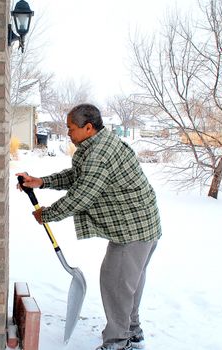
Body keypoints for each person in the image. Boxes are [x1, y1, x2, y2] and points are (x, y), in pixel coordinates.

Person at [16, 103, 161, 350]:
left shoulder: (100, 154)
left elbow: (83, 194)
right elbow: (77, 176)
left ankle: (118, 342)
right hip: (142, 226)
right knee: (129, 284)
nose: (68, 133)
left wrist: (48, 214)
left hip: (132, 231)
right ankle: (132, 333)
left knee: (116, 284)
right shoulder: (93, 146)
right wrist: (42, 182)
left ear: (89, 127)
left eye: (71, 128)